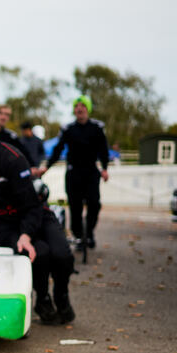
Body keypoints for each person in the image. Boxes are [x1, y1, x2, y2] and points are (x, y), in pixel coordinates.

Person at [0, 102, 75, 324]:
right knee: (37, 252)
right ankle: (42, 299)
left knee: (62, 255)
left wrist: (26, 234)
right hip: (2, 221)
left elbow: (32, 205)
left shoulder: (13, 158)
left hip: (34, 213)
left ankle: (62, 294)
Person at [39, 95, 109, 250]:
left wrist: (105, 168)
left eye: (83, 106)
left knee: (94, 203)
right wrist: (47, 167)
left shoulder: (97, 127)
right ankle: (78, 236)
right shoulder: (68, 129)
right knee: (75, 206)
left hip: (91, 171)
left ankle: (89, 233)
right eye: (77, 107)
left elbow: (103, 149)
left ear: (87, 109)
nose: (80, 109)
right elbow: (58, 149)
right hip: (73, 172)